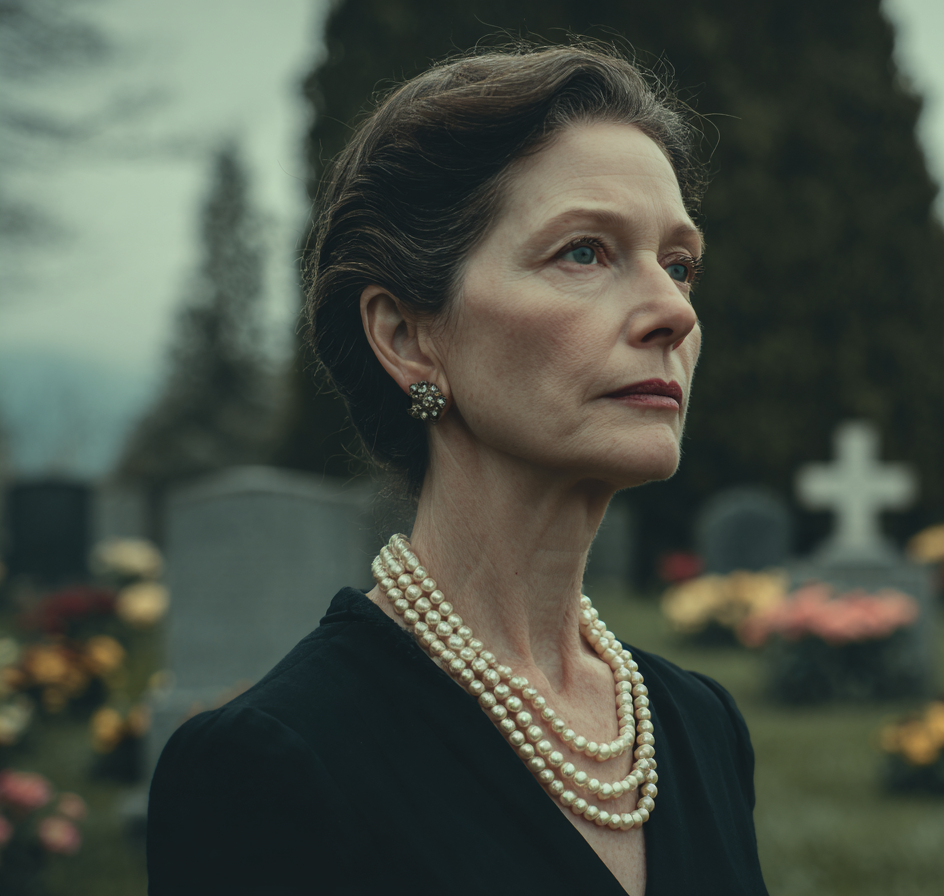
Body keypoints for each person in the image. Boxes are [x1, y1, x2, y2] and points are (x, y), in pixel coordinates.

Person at [147, 44, 767, 896]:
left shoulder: (699, 730)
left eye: (679, 263)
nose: (673, 312)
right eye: (584, 252)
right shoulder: (272, 766)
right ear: (408, 337)